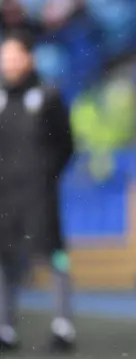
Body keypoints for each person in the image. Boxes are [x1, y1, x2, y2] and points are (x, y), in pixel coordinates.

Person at [0, 30, 75, 352]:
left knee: (54, 255)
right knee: (5, 259)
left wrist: (46, 174)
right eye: (5, 57)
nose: (9, 62)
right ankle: (5, 326)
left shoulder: (47, 96)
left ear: (29, 58)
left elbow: (66, 143)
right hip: (4, 196)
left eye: (15, 55)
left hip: (40, 194)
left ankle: (63, 325)